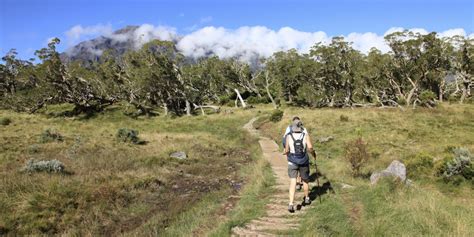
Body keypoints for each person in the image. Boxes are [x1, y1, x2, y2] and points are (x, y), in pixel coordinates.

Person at [283, 118, 316, 213]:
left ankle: (291, 204)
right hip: (304, 161)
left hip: (292, 162)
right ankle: (306, 198)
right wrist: (314, 154)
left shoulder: (289, 136)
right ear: (300, 127)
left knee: (293, 182)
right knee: (305, 180)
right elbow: (310, 148)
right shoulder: (305, 135)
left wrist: (286, 153)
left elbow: (286, 150)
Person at [282, 117, 308, 191]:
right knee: (301, 166)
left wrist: (285, 148)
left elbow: (285, 138)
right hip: (302, 152)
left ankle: (297, 182)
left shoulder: (289, 128)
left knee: (294, 165)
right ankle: (299, 181)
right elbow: (306, 139)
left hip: (291, 152)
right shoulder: (304, 129)